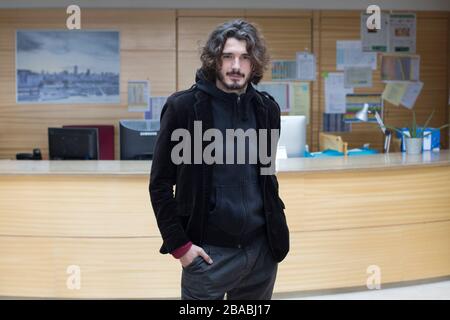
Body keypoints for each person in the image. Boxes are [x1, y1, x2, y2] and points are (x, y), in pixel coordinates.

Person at [149, 19, 289, 300]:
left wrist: (272, 238)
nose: (236, 66)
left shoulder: (266, 109)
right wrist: (181, 247)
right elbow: (160, 185)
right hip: (208, 256)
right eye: (228, 56)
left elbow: (265, 176)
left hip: (261, 253)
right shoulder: (184, 108)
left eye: (245, 57)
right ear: (215, 60)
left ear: (255, 63)